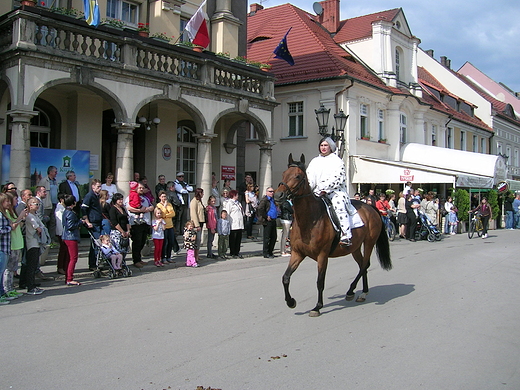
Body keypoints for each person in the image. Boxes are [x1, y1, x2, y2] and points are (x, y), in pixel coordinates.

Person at [306, 137, 357, 246]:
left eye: (326, 145)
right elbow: (310, 177)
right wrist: (310, 188)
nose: (323, 148)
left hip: (335, 191)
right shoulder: (315, 161)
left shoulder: (336, 161)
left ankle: (346, 235)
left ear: (330, 147)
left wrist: (324, 188)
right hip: (317, 191)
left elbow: (338, 178)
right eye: (321, 145)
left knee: (339, 206)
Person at [125, 182, 154, 268]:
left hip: (145, 222)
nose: (141, 189)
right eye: (140, 188)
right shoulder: (130, 197)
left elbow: (151, 207)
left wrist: (148, 209)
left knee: (142, 241)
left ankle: (139, 258)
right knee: (137, 242)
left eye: (142, 188)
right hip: (136, 223)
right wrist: (141, 210)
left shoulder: (145, 198)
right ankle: (136, 260)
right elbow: (129, 208)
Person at [22, 197, 45, 295]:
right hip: (32, 243)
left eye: (38, 204)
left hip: (35, 242)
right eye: (36, 204)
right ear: (30, 205)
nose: (37, 206)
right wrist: (40, 229)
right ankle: (30, 287)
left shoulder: (34, 215)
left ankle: (31, 284)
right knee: (31, 265)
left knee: (33, 264)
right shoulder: (29, 216)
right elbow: (38, 228)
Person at [62, 194, 84, 286]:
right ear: (73, 203)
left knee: (69, 258)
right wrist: (80, 222)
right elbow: (70, 226)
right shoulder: (70, 213)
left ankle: (68, 277)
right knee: (73, 258)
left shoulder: (66, 211)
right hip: (71, 237)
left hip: (66, 236)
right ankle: (69, 278)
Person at [81, 179, 103, 271]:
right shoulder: (89, 196)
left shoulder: (97, 196)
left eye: (100, 186)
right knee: (96, 243)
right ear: (93, 186)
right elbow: (83, 208)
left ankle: (97, 262)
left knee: (98, 243)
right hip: (93, 223)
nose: (99, 188)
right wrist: (87, 221)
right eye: (98, 186)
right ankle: (93, 264)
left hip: (98, 222)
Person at [155, 190, 178, 264]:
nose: (164, 198)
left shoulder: (169, 204)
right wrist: (164, 208)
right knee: (164, 243)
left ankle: (169, 256)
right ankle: (163, 257)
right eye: (162, 197)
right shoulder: (159, 205)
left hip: (170, 225)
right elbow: (161, 214)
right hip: (163, 226)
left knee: (171, 242)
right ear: (159, 197)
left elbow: (173, 214)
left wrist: (166, 215)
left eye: (165, 196)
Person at [37, 166, 58, 241]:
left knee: (53, 222)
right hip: (46, 205)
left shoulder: (55, 181)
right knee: (45, 222)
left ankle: (52, 238)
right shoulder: (44, 180)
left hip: (54, 204)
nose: (56, 173)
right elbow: (38, 192)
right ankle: (45, 238)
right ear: (50, 172)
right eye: (55, 172)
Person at [257, 187, 278, 258]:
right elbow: (260, 209)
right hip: (267, 221)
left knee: (274, 237)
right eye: (270, 191)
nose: (272, 193)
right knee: (267, 237)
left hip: (273, 219)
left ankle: (270, 251)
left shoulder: (272, 199)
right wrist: (266, 216)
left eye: (272, 191)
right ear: (266, 192)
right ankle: (266, 253)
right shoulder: (265, 200)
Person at [224, 190, 244, 258]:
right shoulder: (229, 203)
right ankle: (232, 252)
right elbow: (227, 213)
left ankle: (237, 252)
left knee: (238, 239)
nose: (237, 196)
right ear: (233, 195)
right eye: (236, 195)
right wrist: (227, 223)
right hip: (233, 224)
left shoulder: (238, 203)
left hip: (239, 224)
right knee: (233, 239)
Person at [190, 188, 206, 261]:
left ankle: (197, 255)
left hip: (201, 221)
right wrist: (197, 225)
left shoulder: (199, 201)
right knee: (197, 239)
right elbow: (193, 214)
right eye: (202, 193)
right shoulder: (194, 201)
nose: (203, 194)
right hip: (197, 223)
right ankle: (194, 256)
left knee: (198, 240)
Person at [54, 193, 68, 275]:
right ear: (61, 200)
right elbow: (59, 222)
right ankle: (60, 267)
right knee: (63, 250)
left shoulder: (63, 208)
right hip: (62, 232)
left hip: (64, 232)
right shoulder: (59, 209)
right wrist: (62, 233)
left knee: (65, 250)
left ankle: (64, 266)